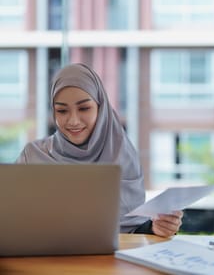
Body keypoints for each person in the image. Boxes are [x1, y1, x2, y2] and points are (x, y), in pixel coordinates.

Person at [16, 63, 183, 236]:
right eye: (62, 110)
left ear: (101, 108)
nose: (73, 120)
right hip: (44, 260)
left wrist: (157, 228)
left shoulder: (122, 157)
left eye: (84, 108)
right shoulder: (33, 156)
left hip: (109, 262)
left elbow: (131, 231)